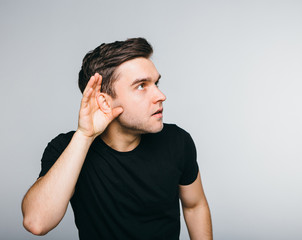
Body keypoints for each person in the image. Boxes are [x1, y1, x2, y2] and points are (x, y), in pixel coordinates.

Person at [21, 38, 212, 240]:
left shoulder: (177, 141)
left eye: (156, 83)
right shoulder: (66, 149)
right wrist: (84, 136)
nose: (161, 95)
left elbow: (194, 206)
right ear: (104, 101)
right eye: (141, 86)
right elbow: (37, 222)